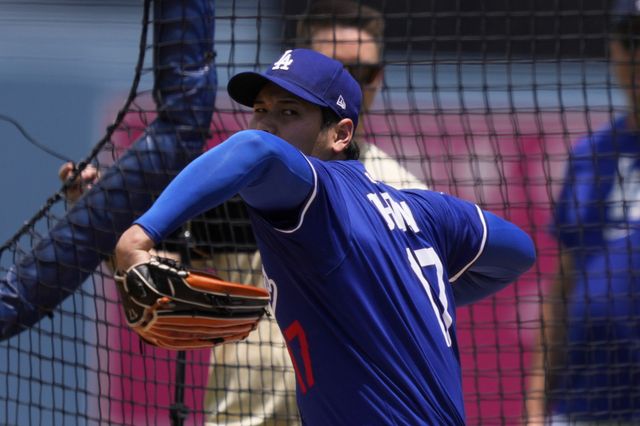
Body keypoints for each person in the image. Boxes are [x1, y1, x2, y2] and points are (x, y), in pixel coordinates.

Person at [115, 47, 536, 425]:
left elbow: (253, 149)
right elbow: (519, 251)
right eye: (260, 109)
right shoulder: (426, 211)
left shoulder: (321, 197)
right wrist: (398, 297)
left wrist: (138, 237)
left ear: (340, 134)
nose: (267, 124)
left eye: (289, 113)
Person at [525, 1, 640, 423]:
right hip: (582, 404)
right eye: (632, 40)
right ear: (615, 49)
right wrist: (535, 406)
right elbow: (563, 287)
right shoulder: (590, 155)